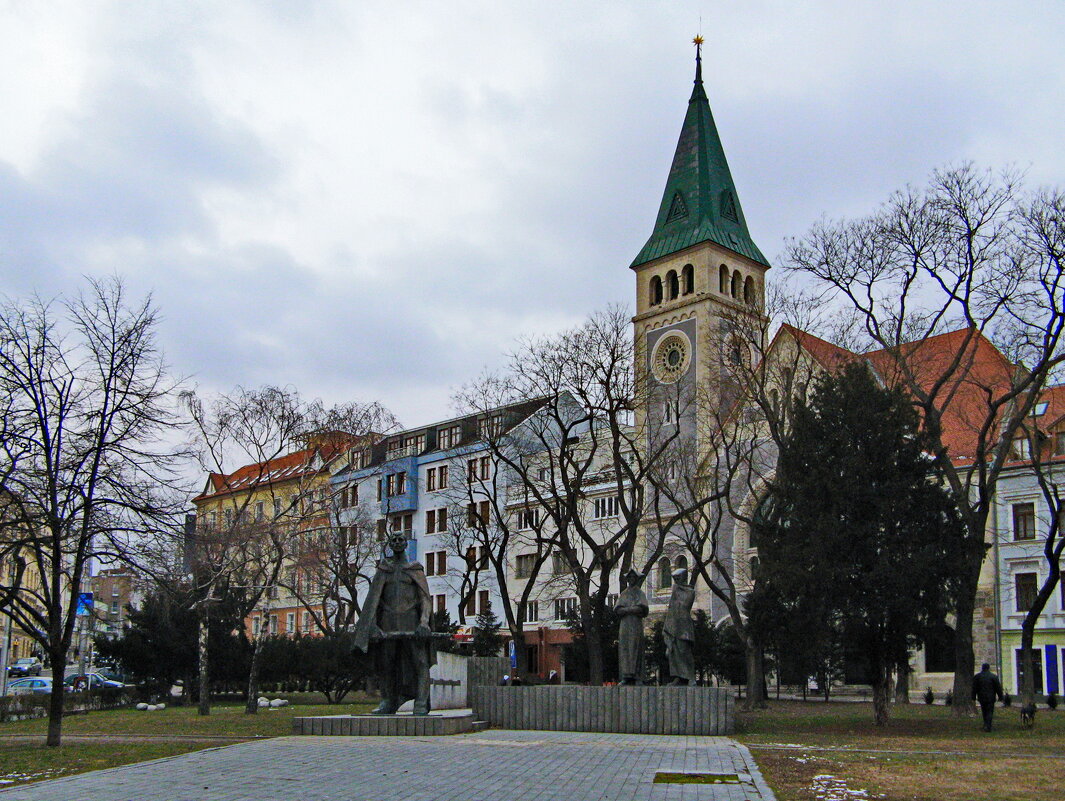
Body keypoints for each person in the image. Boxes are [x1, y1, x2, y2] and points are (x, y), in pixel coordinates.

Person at [353, 533, 436, 715]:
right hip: (387, 624)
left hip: (412, 623)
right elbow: (374, 600)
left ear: (406, 543)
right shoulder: (384, 570)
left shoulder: (415, 569)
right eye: (394, 540)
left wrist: (424, 622)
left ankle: (421, 702)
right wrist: (372, 625)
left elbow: (425, 599)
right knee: (386, 664)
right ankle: (388, 701)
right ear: (390, 544)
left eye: (401, 540)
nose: (398, 543)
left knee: (420, 662)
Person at [614, 569, 649, 685]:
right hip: (624, 625)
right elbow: (618, 609)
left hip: (635, 624)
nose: (631, 580)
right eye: (629, 578)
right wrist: (631, 609)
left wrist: (627, 610)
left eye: (633, 578)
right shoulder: (624, 593)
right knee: (624, 648)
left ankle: (637, 676)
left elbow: (642, 608)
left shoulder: (640, 593)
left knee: (635, 647)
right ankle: (626, 676)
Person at [663, 567, 696, 686]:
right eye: (675, 579)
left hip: (684, 626)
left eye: (678, 578)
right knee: (674, 652)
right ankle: (678, 676)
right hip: (673, 625)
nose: (676, 580)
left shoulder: (690, 591)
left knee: (684, 651)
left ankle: (690, 677)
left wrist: (677, 592)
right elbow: (671, 609)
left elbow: (684, 606)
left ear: (683, 577)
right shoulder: (675, 591)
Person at [971, 663, 1004, 731]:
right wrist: (1000, 697)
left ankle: (986, 724)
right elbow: (998, 688)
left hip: (981, 697)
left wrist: (973, 697)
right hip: (991, 697)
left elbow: (974, 688)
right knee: (990, 711)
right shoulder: (993, 677)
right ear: (989, 668)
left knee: (984, 711)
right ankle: (988, 725)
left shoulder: (977, 677)